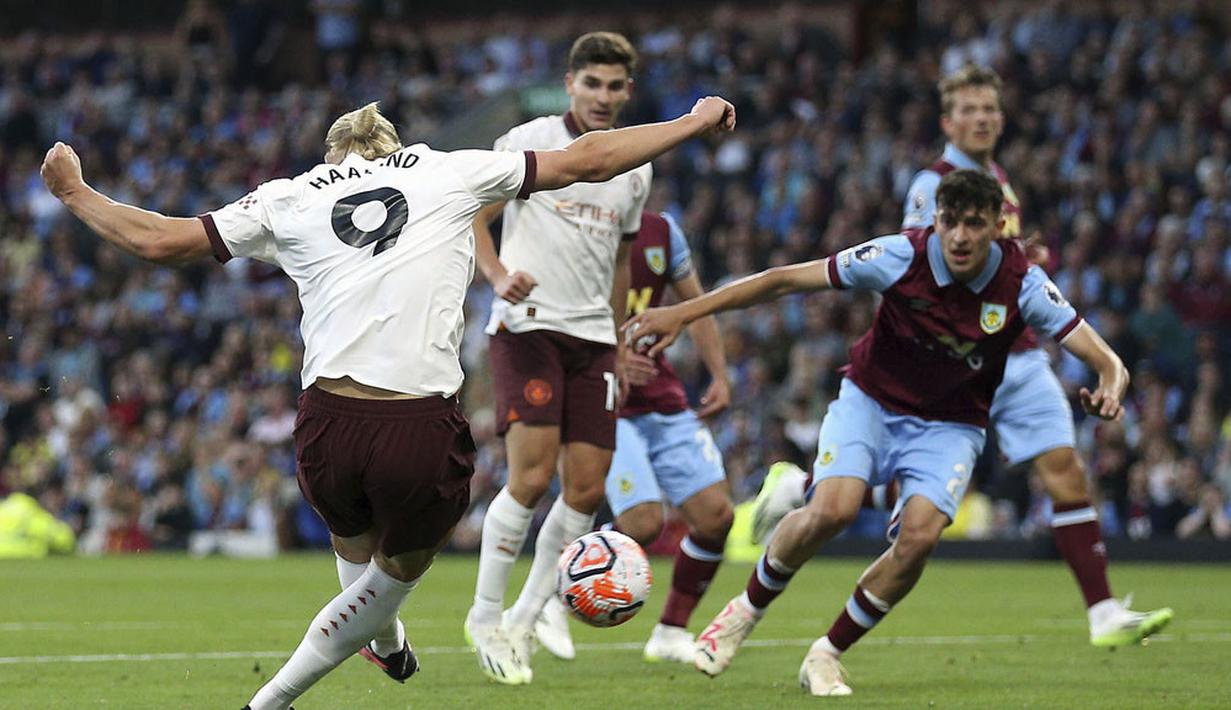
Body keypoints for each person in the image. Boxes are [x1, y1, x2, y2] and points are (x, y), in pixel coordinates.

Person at [40, 95, 736, 708]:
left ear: (332, 156)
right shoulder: (443, 169)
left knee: (354, 540)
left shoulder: (289, 194)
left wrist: (74, 192)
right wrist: (692, 121)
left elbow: (162, 240)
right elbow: (588, 159)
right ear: (393, 148)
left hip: (325, 424)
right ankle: (276, 697)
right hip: (415, 423)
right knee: (395, 574)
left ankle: (387, 641)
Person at [626, 170, 1169, 697]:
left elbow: (1105, 359)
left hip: (952, 425)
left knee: (918, 540)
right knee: (833, 509)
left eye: (974, 224)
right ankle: (744, 612)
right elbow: (781, 280)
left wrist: (1112, 385)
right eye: (949, 221)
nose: (959, 236)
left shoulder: (1022, 282)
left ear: (996, 227)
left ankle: (826, 654)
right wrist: (683, 313)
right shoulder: (900, 255)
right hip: (872, 403)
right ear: (935, 219)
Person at [752, 64, 1173, 649]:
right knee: (913, 478)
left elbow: (997, 262)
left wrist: (1024, 257)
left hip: (1016, 351)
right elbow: (923, 269)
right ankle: (805, 489)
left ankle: (1102, 612)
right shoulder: (934, 183)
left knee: (1065, 469)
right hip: (953, 355)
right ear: (949, 120)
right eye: (969, 110)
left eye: (990, 109)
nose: (982, 119)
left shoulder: (998, 180)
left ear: (1001, 116)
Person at [466, 32, 658, 684]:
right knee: (528, 476)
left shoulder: (636, 164)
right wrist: (494, 277)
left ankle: (524, 621)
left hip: (594, 337)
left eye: (614, 86)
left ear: (627, 91)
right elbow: (474, 216)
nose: (603, 97)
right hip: (527, 324)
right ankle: (484, 616)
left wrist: (621, 332)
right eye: (592, 84)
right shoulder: (529, 140)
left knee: (584, 487)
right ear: (570, 82)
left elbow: (623, 255)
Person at [539, 211, 735, 664]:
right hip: (601, 397)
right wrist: (610, 360)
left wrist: (720, 374)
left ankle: (670, 632)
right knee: (645, 522)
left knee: (716, 516)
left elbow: (697, 307)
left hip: (661, 400)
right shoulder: (577, 228)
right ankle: (550, 598)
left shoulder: (664, 233)